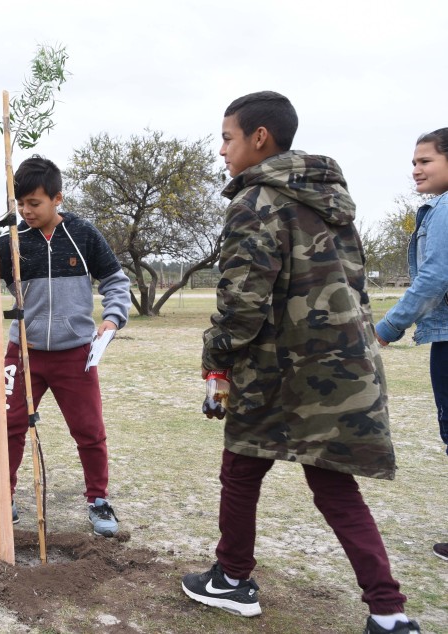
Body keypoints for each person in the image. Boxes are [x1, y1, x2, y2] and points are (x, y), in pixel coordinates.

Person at [181, 91, 419, 634]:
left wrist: (215, 356)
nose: (221, 150)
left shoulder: (256, 203)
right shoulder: (330, 201)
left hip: (280, 373)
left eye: (227, 137)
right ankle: (389, 611)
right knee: (332, 485)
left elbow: (242, 304)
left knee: (241, 468)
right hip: (342, 370)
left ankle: (233, 578)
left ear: (259, 138)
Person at [0, 156, 132, 538]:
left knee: (89, 430)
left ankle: (98, 501)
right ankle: (2, 500)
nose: (26, 211)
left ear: (57, 198)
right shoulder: (11, 243)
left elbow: (116, 281)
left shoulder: (84, 236)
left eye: (34, 203)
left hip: (76, 356)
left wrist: (112, 318)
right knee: (8, 426)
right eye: (20, 203)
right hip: (23, 354)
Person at [374, 127, 448, 565]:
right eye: (414, 161)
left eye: (425, 161)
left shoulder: (443, 209)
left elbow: (434, 279)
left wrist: (388, 327)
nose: (415, 169)